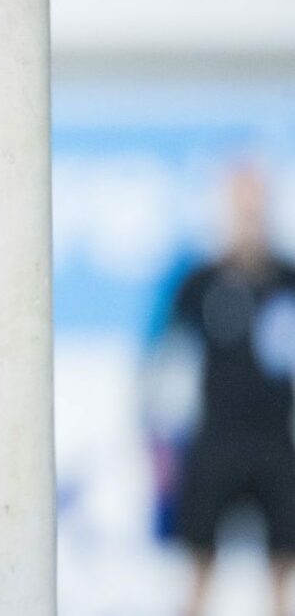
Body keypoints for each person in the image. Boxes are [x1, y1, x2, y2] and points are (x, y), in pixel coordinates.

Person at [149, 166, 295, 616]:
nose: (248, 212)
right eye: (240, 201)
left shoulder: (287, 280)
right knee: (198, 571)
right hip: (215, 441)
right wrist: (159, 442)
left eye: (256, 200)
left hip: (276, 444)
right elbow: (164, 358)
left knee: (281, 575)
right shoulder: (200, 282)